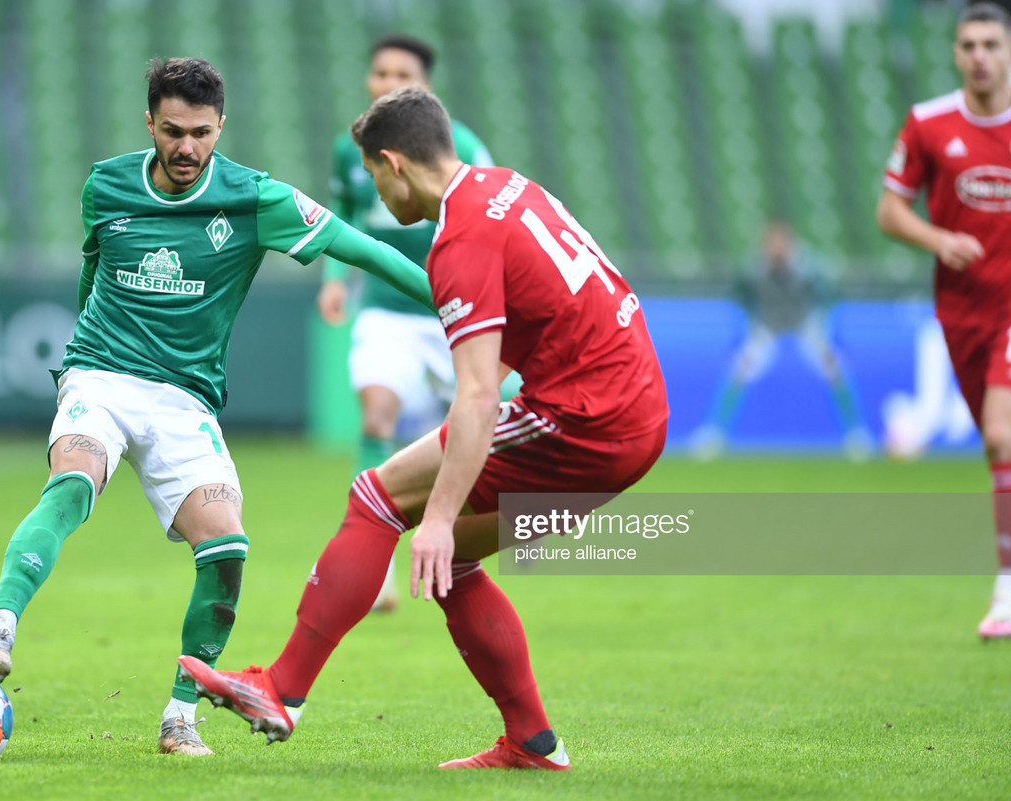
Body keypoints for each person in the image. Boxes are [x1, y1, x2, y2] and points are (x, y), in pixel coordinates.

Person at [178, 86, 668, 770]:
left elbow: (475, 398)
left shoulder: (458, 239)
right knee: (454, 561)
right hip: (635, 406)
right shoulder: (509, 187)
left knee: (377, 498)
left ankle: (281, 690)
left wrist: (436, 513)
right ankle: (532, 741)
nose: (377, 194)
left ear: (393, 164)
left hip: (585, 418)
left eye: (374, 177)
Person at [0, 57, 436, 756]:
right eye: (174, 131)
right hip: (102, 374)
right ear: (149, 122)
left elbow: (362, 247)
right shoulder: (107, 183)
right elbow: (93, 270)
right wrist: (81, 362)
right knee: (72, 481)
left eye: (202, 134)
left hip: (185, 398)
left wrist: (457, 303)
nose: (187, 148)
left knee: (227, 548)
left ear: (222, 128)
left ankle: (180, 714)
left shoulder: (256, 199)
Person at [317, 35, 495, 612]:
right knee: (377, 414)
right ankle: (377, 567)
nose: (388, 82)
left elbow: (492, 220)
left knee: (497, 421)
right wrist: (335, 280)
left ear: (425, 88)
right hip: (387, 313)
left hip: (457, 315)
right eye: (379, 72)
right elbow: (343, 213)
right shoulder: (352, 151)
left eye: (402, 74)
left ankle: (469, 543)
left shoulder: (461, 146)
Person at [877, 2, 1011, 639]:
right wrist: (937, 240)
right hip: (960, 312)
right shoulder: (930, 124)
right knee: (1000, 455)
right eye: (969, 45)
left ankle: (1007, 591)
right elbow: (889, 210)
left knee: (999, 436)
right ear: (955, 53)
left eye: (991, 43)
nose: (979, 55)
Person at [690, 220, 871, 460]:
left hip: (804, 320)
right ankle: (714, 433)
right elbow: (740, 296)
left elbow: (830, 296)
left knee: (834, 367)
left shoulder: (809, 266)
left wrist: (825, 328)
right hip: (769, 323)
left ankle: (856, 434)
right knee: (739, 368)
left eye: (780, 243)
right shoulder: (754, 267)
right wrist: (749, 325)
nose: (776, 248)